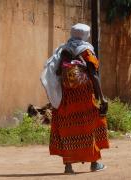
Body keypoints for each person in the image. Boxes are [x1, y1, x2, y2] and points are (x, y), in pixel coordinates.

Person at [41, 23, 109, 174]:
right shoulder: (86, 51)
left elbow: (58, 71)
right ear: (85, 35)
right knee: (89, 126)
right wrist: (101, 98)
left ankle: (68, 166)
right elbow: (94, 75)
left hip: (67, 97)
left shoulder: (64, 50)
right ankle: (94, 163)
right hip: (84, 97)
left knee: (67, 127)